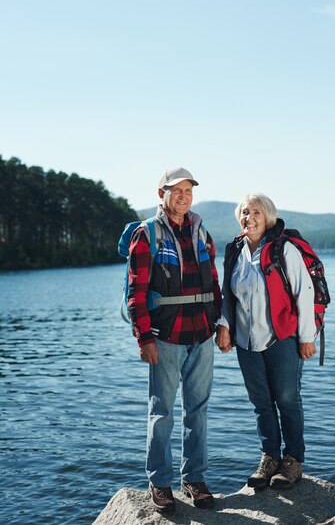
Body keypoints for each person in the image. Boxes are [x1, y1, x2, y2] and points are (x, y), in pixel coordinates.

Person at [127, 166, 221, 514]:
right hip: (164, 339)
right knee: (162, 412)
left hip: (202, 335)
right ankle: (160, 482)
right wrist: (144, 339)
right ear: (161, 193)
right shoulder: (146, 234)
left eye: (188, 191)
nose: (183, 197)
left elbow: (213, 280)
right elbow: (136, 293)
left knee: (198, 412)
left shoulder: (201, 232)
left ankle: (194, 479)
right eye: (176, 190)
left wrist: (221, 324)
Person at [216, 193, 316, 491]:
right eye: (245, 213)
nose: (250, 218)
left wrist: (307, 337)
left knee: (287, 400)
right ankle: (269, 457)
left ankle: (293, 460)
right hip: (246, 342)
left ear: (268, 217)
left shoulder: (283, 249)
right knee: (261, 403)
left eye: (256, 212)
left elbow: (304, 292)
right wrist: (224, 326)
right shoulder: (234, 251)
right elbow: (226, 295)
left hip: (282, 338)